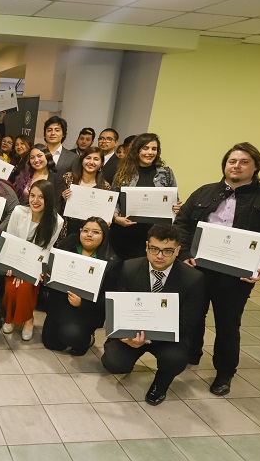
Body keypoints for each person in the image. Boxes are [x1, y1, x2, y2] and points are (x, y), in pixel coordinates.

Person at [174, 142, 260, 396]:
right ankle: (191, 354)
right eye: (232, 161)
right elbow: (182, 223)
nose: (236, 166)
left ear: (255, 167)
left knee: (228, 324)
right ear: (225, 165)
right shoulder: (204, 193)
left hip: (237, 274)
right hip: (198, 268)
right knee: (193, 315)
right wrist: (184, 254)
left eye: (243, 162)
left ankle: (224, 373)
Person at [101, 224, 205, 405]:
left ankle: (161, 384)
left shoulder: (193, 278)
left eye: (167, 251)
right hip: (133, 332)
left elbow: (187, 323)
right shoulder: (129, 267)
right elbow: (120, 307)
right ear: (147, 246)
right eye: (154, 249)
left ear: (178, 250)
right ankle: (127, 359)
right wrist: (129, 336)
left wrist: (148, 339)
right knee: (113, 362)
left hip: (168, 337)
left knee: (175, 359)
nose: (159, 256)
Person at [42, 217, 120, 355]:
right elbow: (52, 265)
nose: (89, 234)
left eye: (96, 232)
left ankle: (87, 339)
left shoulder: (112, 261)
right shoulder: (70, 242)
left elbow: (108, 299)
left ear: (105, 235)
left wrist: (82, 304)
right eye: (85, 230)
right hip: (60, 301)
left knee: (71, 336)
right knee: (51, 343)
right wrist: (47, 275)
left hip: (85, 310)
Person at [2, 180, 63, 340]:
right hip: (13, 259)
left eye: (41, 197)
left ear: (49, 199)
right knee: (10, 287)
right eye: (32, 195)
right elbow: (10, 240)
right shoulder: (19, 211)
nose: (35, 201)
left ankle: (28, 319)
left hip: (35, 265)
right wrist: (12, 267)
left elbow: (46, 251)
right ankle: (11, 319)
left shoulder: (57, 221)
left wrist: (29, 272)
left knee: (24, 288)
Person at [111, 133, 180, 261]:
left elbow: (174, 201)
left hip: (155, 237)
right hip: (125, 235)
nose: (150, 152)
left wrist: (177, 207)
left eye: (154, 149)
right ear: (137, 150)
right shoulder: (123, 172)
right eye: (145, 148)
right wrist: (116, 218)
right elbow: (113, 201)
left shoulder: (166, 173)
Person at [59, 146, 111, 239]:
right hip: (67, 228)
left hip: (90, 233)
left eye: (96, 159)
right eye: (88, 158)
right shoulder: (68, 178)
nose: (91, 162)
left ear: (102, 163)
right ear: (82, 160)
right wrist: (62, 197)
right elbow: (57, 205)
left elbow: (105, 214)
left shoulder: (105, 186)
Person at [14, 145, 65, 210]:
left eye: (39, 156)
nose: (36, 160)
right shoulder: (25, 176)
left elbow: (57, 205)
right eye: (32, 157)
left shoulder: (57, 178)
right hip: (24, 215)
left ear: (47, 156)